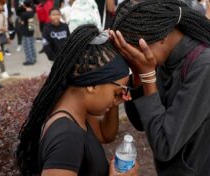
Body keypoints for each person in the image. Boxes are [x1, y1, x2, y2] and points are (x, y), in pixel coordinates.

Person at [111, 0, 210, 176]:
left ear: (162, 36)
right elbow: (141, 122)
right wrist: (138, 75)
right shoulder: (165, 58)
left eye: (134, 49)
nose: (135, 56)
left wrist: (148, 76)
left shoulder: (207, 66)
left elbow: (164, 146)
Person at [17, 25, 138, 176]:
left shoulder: (74, 109)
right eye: (116, 92)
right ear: (93, 85)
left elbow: (105, 135)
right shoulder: (67, 137)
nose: (118, 96)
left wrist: (113, 102)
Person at [19, 0, 36, 66]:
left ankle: (30, 60)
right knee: (32, 44)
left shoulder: (24, 14)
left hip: (26, 31)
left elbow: (22, 22)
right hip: (31, 29)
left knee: (27, 46)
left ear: (25, 5)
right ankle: (34, 57)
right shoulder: (32, 11)